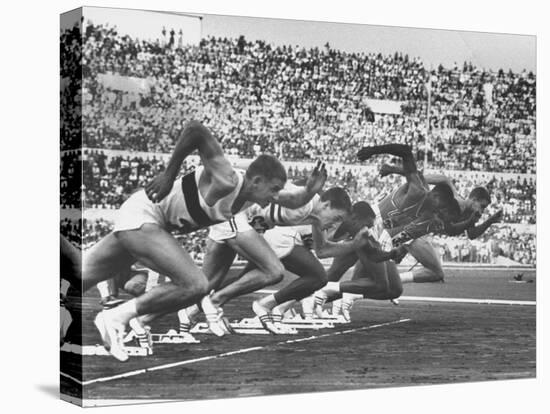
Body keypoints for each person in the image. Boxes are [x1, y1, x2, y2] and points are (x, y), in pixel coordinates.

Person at [81, 120, 322, 361]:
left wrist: (310, 190)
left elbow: (292, 200)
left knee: (78, 277)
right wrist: (168, 173)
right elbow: (195, 129)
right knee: (195, 285)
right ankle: (115, 318)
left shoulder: (255, 195)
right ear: (257, 180)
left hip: (149, 221)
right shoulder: (227, 179)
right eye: (273, 189)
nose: (275, 195)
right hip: (144, 215)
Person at [189, 184, 352, 334]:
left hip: (239, 218)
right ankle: (219, 303)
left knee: (222, 280)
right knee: (273, 272)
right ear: (326, 205)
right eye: (336, 218)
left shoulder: (314, 213)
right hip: (234, 214)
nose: (334, 224)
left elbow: (322, 248)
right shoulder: (303, 205)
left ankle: (193, 310)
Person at [377, 165, 503, 282]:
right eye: (481, 206)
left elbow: (472, 234)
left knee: (433, 271)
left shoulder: (467, 216)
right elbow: (444, 179)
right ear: (474, 199)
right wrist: (403, 173)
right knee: (435, 272)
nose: (481, 212)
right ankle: (394, 279)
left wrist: (490, 221)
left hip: (417, 231)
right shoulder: (455, 197)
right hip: (415, 229)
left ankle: (394, 268)